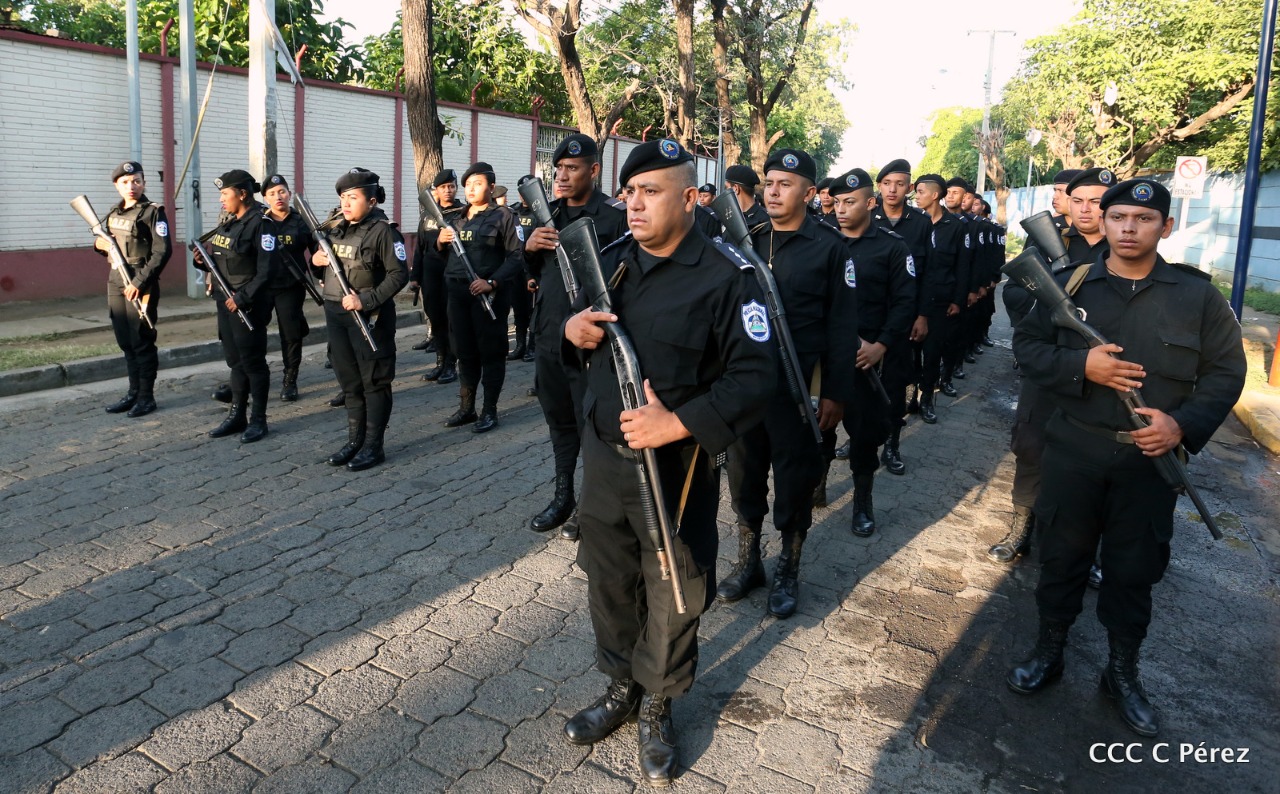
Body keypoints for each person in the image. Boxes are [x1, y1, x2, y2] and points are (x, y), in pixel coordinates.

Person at [560, 139, 774, 787]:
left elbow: (757, 377)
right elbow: (577, 339)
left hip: (675, 467)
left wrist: (676, 423)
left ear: (689, 199)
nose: (634, 204)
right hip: (605, 457)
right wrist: (572, 332)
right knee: (607, 577)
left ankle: (658, 704)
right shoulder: (613, 261)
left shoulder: (729, 275)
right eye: (630, 192)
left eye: (650, 192)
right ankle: (622, 685)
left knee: (674, 589)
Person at [1006, 178, 1245, 737]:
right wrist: (1081, 367)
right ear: (1103, 222)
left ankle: (1121, 672)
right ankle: (1049, 651)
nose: (1129, 228)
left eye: (1143, 219)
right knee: (1062, 558)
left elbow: (1226, 372)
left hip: (1147, 463)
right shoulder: (1069, 284)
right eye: (1118, 217)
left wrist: (1181, 425)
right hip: (1075, 449)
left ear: (1166, 226)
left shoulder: (1198, 296)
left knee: (1134, 571)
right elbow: (1027, 347)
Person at [720, 148, 858, 619]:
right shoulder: (746, 239)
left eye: (785, 184)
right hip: (744, 385)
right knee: (743, 474)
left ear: (809, 192)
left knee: (795, 479)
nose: (774, 192)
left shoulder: (829, 247)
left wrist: (836, 393)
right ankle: (749, 562)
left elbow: (842, 327)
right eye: (770, 183)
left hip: (798, 386)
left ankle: (788, 568)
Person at [523, 134, 628, 540]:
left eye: (572, 168)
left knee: (593, 427)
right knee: (559, 421)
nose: (562, 176)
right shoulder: (546, 213)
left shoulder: (614, 216)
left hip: (592, 344)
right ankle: (563, 494)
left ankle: (590, 505)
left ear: (594, 170)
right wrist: (529, 248)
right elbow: (532, 274)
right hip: (549, 336)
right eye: (559, 169)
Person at [823, 169, 915, 537]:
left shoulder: (892, 247)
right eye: (837, 202)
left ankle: (862, 499)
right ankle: (817, 484)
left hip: (867, 359)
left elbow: (905, 302)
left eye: (850, 202)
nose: (841, 209)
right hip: (826, 357)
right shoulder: (822, 240)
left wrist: (881, 345)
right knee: (819, 429)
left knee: (863, 436)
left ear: (870, 203)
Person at [310, 168, 408, 471]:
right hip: (336, 314)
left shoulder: (384, 231)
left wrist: (365, 301)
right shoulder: (335, 228)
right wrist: (315, 261)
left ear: (372, 200)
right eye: (343, 197)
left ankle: (373, 446)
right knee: (350, 382)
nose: (346, 203)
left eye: (353, 197)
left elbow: (399, 275)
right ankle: (355, 441)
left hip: (370, 317)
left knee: (374, 382)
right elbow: (325, 269)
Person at [438, 162, 524, 433]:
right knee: (464, 352)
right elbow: (442, 256)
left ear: (491, 186)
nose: (471, 189)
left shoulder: (504, 216)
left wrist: (492, 282)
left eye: (478, 184)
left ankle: (489, 410)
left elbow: (517, 256)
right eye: (468, 185)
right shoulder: (455, 218)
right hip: (458, 293)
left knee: (491, 353)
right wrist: (440, 241)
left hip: (489, 296)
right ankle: (467, 408)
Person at [197, 170, 277, 444]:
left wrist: (242, 298)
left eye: (225, 194)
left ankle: (258, 420)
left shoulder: (262, 224)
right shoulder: (229, 222)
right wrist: (202, 260)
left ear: (242, 194)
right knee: (236, 362)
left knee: (253, 363)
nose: (221, 199)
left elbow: (267, 270)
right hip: (225, 301)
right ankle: (237, 415)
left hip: (247, 305)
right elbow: (223, 260)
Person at [95, 160, 171, 418]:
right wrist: (99, 245)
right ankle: (133, 393)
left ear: (144, 183)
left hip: (140, 280)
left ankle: (147, 397)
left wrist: (139, 283)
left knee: (141, 340)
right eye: (125, 182)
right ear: (117, 186)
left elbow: (162, 251)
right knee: (125, 341)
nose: (131, 186)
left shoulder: (153, 212)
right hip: (116, 278)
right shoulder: (114, 212)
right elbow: (104, 242)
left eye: (136, 181)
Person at [869, 158, 930, 475]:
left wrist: (922, 315)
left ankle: (891, 443)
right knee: (861, 383)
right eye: (887, 183)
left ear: (910, 188)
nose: (892, 190)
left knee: (895, 383)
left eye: (900, 184)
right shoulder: (867, 215)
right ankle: (860, 439)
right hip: (867, 316)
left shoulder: (920, 223)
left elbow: (928, 272)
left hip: (903, 318)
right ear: (879, 186)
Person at [911, 174, 971, 424]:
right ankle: (911, 395)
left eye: (920, 191)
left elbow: (962, 266)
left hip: (941, 300)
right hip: (914, 299)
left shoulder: (955, 226)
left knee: (932, 352)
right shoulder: (914, 223)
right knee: (910, 353)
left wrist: (957, 300)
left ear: (935, 195)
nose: (916, 196)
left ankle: (927, 398)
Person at [260, 174, 316, 402]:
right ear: (265, 198)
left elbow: (316, 250)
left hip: (291, 286)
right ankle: (251, 377)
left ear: (289, 194)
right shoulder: (260, 221)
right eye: (272, 193)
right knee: (254, 331)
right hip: (262, 287)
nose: (278, 196)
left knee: (291, 334)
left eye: (282, 191)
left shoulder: (301, 221)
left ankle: (290, 380)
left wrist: (321, 275)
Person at [413, 169, 462, 383]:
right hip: (430, 274)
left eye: (451, 186)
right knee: (435, 318)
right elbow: (420, 247)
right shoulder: (428, 214)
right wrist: (415, 277)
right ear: (437, 190)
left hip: (452, 273)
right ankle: (440, 362)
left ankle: (451, 364)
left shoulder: (462, 213)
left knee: (451, 320)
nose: (448, 190)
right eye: (443, 187)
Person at [723, 164, 769, 229]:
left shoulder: (765, 221)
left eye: (726, 187)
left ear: (735, 188)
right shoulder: (730, 216)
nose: (725, 192)